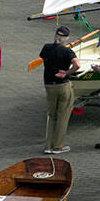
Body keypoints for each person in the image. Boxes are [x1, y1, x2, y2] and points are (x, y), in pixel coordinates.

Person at [39, 24, 79, 154]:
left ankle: (48, 145)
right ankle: (58, 146)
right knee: (63, 115)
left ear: (55, 35)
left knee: (51, 115)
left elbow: (43, 57)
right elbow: (77, 64)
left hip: (49, 85)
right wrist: (67, 72)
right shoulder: (67, 51)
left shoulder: (46, 48)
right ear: (66, 38)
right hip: (62, 84)